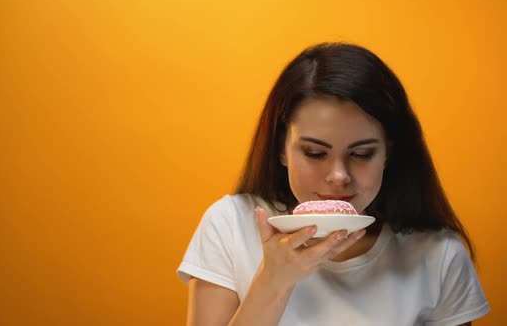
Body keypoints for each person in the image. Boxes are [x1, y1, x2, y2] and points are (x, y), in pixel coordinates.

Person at [177, 42, 490, 326]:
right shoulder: (230, 225)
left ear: (388, 153)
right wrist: (273, 282)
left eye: (362, 153)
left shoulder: (438, 253)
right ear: (281, 149)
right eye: (314, 153)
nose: (339, 175)